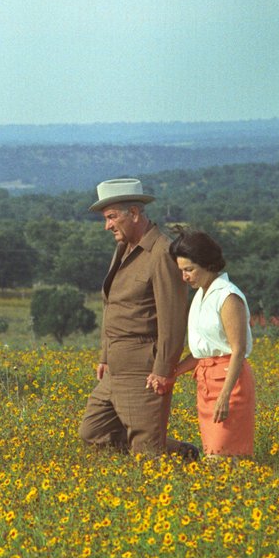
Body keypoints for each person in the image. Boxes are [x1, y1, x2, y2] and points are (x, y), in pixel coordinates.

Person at [77, 178, 194, 457]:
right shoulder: (123, 248)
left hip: (144, 367)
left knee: (147, 451)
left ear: (134, 213)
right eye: (106, 219)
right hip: (116, 365)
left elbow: (173, 318)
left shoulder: (161, 253)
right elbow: (113, 305)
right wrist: (105, 356)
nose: (107, 226)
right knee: (93, 431)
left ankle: (184, 460)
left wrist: (164, 370)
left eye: (112, 217)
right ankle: (178, 452)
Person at [168, 231, 256, 457]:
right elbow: (200, 352)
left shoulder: (228, 296)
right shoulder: (199, 295)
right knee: (213, 455)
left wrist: (225, 396)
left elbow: (238, 350)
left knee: (223, 457)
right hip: (205, 385)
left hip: (230, 384)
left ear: (207, 264)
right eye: (181, 271)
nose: (184, 277)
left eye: (189, 270)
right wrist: (170, 374)